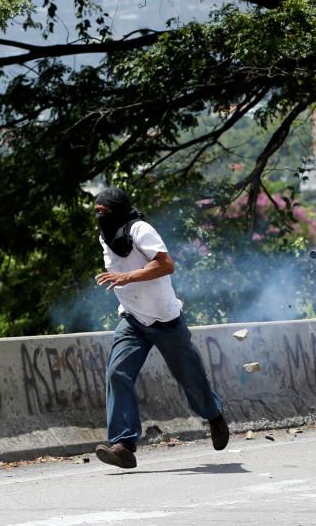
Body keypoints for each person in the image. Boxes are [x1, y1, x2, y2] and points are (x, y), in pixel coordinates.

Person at [92, 187, 229, 469]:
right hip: (131, 319)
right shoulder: (105, 238)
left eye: (103, 211)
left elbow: (165, 264)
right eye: (96, 212)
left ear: (117, 210)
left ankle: (213, 414)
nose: (98, 216)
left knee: (190, 376)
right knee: (117, 373)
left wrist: (127, 277)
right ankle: (123, 445)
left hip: (164, 319)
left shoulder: (140, 229)